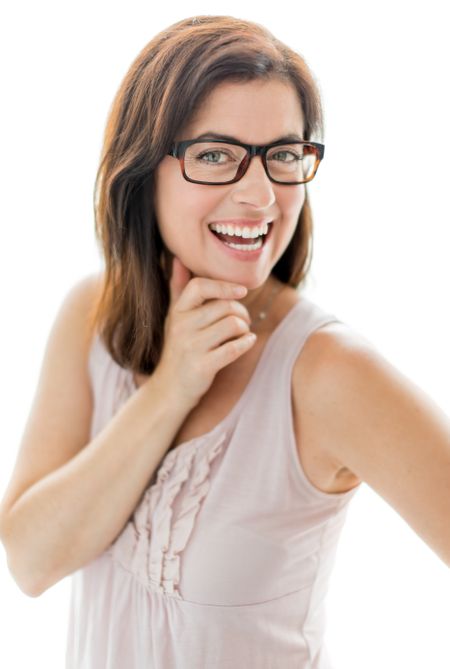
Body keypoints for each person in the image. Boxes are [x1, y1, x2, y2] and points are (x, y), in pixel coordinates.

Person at [1, 14, 449, 669]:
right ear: (144, 169)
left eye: (284, 155)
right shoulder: (91, 315)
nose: (261, 194)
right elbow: (30, 561)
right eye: (216, 154)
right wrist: (170, 391)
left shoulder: (327, 371)